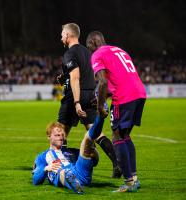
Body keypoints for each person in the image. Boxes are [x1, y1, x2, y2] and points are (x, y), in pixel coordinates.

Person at [57, 23, 121, 178]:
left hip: (75, 96)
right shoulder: (88, 52)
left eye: (62, 34)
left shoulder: (69, 53)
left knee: (60, 132)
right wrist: (64, 78)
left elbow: (76, 77)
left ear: (68, 35)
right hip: (90, 94)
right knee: (96, 133)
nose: (61, 37)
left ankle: (63, 167)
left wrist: (77, 102)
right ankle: (117, 163)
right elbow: (89, 74)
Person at [86, 31, 147, 192]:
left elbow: (103, 81)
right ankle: (133, 178)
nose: (90, 51)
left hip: (124, 97)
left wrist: (100, 107)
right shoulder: (118, 50)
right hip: (139, 93)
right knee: (125, 135)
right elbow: (118, 78)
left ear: (92, 42)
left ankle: (128, 182)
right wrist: (103, 97)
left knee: (117, 136)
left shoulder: (97, 55)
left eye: (89, 47)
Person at [32, 116, 105, 194]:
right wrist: (46, 168)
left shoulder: (73, 151)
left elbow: (95, 162)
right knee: (61, 172)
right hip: (62, 174)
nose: (61, 138)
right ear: (49, 137)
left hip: (80, 172)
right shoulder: (42, 156)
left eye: (62, 135)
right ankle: (74, 184)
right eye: (57, 135)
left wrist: (93, 151)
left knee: (86, 140)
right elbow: (36, 180)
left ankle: (101, 116)